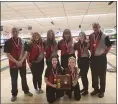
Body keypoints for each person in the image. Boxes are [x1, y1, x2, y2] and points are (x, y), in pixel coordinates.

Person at [4, 27, 33, 102]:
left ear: (18, 32)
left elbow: (26, 52)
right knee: (14, 80)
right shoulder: (8, 42)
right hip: (13, 64)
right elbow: (8, 54)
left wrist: (22, 60)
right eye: (13, 31)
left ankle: (26, 91)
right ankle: (14, 94)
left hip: (22, 63)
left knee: (24, 78)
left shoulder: (23, 41)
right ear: (11, 33)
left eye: (16, 31)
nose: (15, 33)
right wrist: (16, 62)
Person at [89, 22, 113, 98]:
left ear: (99, 27)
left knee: (102, 75)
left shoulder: (104, 36)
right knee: (94, 75)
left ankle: (102, 91)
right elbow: (90, 45)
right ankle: (96, 89)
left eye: (96, 27)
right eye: (94, 27)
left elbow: (109, 46)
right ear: (92, 28)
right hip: (93, 58)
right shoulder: (91, 36)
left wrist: (105, 53)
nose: (95, 28)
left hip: (101, 58)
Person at [74, 31, 90, 96]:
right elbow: (73, 50)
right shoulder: (77, 44)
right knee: (84, 76)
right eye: (80, 36)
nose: (81, 37)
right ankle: (85, 88)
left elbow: (92, 50)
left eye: (82, 36)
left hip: (86, 60)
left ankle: (86, 89)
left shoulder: (87, 43)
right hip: (80, 60)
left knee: (84, 74)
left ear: (84, 36)